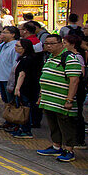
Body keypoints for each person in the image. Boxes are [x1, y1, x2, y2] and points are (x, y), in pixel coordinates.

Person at [35, 34, 83, 162]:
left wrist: (69, 100)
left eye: (52, 43)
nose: (49, 46)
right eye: (47, 44)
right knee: (53, 124)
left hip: (62, 100)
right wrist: (41, 96)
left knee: (66, 125)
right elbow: (44, 77)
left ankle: (69, 150)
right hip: (49, 99)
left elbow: (74, 81)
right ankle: (56, 146)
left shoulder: (69, 58)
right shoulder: (50, 58)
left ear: (61, 44)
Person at [11, 38, 42, 139]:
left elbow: (22, 74)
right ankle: (21, 128)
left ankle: (25, 130)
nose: (15, 48)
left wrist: (17, 88)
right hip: (28, 87)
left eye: (18, 46)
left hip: (26, 88)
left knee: (25, 109)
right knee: (24, 107)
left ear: (25, 48)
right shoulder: (26, 58)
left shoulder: (27, 59)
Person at [0, 25, 20, 113]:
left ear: (13, 34)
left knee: (11, 100)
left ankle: (13, 120)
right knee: (5, 99)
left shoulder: (15, 45)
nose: (2, 34)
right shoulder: (3, 44)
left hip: (8, 77)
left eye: (5, 32)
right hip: (0, 75)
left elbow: (15, 63)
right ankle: (8, 118)